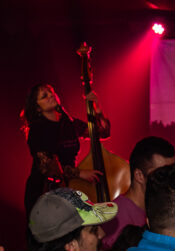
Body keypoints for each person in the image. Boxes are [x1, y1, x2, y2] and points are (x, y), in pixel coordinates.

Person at [22, 83, 112, 217]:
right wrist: (79, 173)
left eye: (51, 92)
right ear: (37, 108)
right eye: (44, 96)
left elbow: (103, 132)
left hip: (68, 187)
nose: (51, 96)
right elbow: (47, 165)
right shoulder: (36, 130)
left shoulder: (69, 123)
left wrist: (97, 108)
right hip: (43, 192)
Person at [97, 136, 175, 251]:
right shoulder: (114, 219)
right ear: (139, 176)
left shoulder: (158, 211)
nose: (171, 182)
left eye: (174, 174)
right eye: (162, 175)